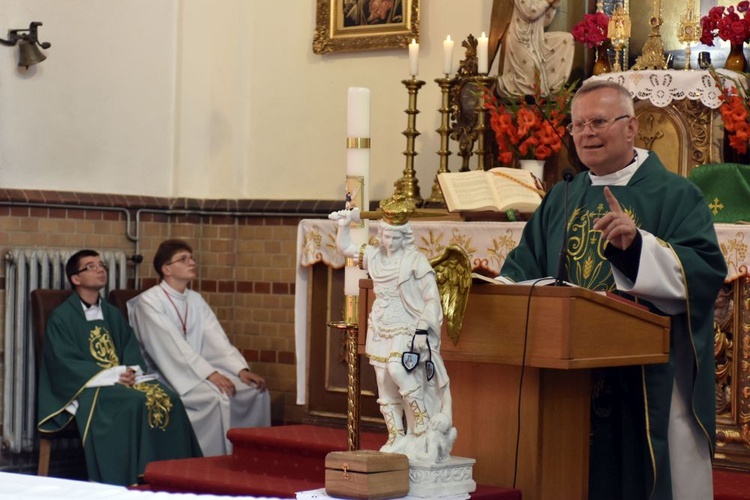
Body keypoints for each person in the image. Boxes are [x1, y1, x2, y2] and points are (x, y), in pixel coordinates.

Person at [498, 80, 726, 499]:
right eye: (578, 124)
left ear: (631, 127)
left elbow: (705, 271)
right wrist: (493, 288)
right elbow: (523, 267)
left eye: (599, 121)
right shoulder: (562, 195)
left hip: (644, 380)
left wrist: (637, 248)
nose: (587, 133)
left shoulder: (676, 194)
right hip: (567, 379)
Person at [37, 250, 202, 486]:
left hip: (122, 380)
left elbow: (129, 346)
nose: (101, 269)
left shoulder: (112, 313)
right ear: (76, 279)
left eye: (101, 265)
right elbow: (63, 362)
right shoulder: (62, 318)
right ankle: (131, 477)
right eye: (91, 267)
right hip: (89, 386)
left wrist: (132, 371)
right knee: (134, 402)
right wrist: (113, 375)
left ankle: (172, 475)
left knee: (169, 398)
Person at [330, 195, 455, 463]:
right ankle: (396, 435)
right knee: (383, 382)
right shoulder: (374, 256)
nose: (389, 242)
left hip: (407, 325)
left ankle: (421, 427)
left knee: (398, 369)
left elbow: (432, 299)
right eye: (386, 236)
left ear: (405, 237)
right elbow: (346, 248)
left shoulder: (415, 261)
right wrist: (342, 224)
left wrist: (423, 329)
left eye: (395, 238)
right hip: (380, 325)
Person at [127, 239, 271, 456]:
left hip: (199, 370)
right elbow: (170, 348)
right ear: (166, 269)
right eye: (183, 259)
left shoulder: (194, 299)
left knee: (254, 392)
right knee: (218, 397)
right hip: (169, 374)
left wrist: (241, 370)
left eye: (191, 258)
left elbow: (216, 339)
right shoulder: (149, 302)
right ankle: (214, 461)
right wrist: (210, 374)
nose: (191, 262)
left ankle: (251, 458)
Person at [495, 0, 574, 97]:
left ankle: (556, 89)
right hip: (521, 40)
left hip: (538, 40)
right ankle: (503, 84)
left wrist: (553, 6)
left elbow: (544, 22)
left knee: (567, 39)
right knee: (536, 85)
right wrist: (548, 1)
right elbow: (530, 13)